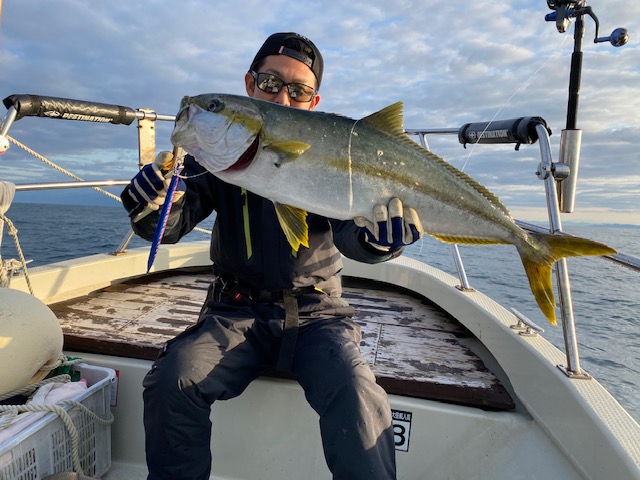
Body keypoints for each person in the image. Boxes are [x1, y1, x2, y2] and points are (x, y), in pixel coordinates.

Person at [121, 32, 423, 480]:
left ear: (313, 101)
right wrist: (150, 207)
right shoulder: (215, 156)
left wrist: (380, 242)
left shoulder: (336, 155)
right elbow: (173, 220)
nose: (283, 95)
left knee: (358, 391)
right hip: (234, 311)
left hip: (319, 314)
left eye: (298, 91)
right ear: (250, 84)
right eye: (270, 83)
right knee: (173, 379)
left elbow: (350, 235)